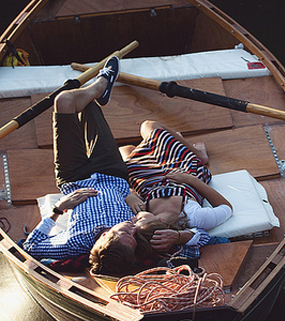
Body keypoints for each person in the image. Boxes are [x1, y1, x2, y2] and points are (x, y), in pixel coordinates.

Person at [22, 56, 211, 275]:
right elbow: (203, 237)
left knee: (64, 101)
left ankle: (101, 85)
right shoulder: (139, 237)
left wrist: (58, 209)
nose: (133, 229)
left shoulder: (75, 242)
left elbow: (31, 248)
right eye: (133, 237)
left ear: (105, 237)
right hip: (111, 171)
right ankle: (101, 86)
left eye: (125, 234)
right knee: (84, 104)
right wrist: (128, 192)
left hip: (72, 177)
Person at [120, 120, 233, 231]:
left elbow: (133, 195)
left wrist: (130, 196)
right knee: (149, 125)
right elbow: (226, 208)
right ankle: (197, 153)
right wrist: (191, 180)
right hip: (183, 171)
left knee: (124, 149)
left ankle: (162, 144)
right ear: (155, 224)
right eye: (137, 223)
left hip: (149, 181)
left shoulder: (142, 213)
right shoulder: (194, 217)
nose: (133, 220)